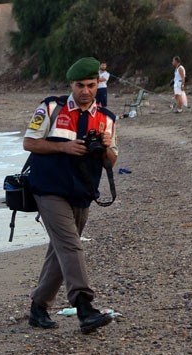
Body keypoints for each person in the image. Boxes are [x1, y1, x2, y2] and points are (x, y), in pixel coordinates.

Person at [23, 56, 118, 334]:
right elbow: (29, 142)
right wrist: (64, 148)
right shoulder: (52, 106)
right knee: (71, 245)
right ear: (71, 84)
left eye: (90, 85)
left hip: (82, 192)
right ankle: (84, 306)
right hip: (48, 188)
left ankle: (38, 307)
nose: (85, 91)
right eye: (80, 85)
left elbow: (111, 162)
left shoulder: (106, 118)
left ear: (97, 83)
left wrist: (107, 147)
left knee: (61, 250)